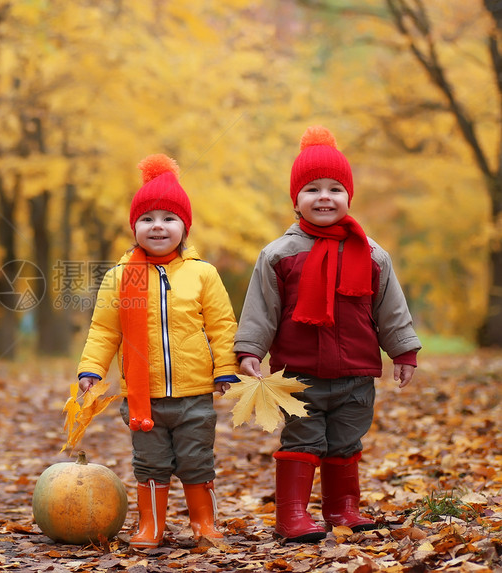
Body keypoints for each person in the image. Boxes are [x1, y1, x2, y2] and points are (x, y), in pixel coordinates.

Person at [233, 125, 421, 543]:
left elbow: (390, 309)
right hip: (299, 374)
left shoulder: (371, 254)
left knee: (346, 440)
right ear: (295, 199)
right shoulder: (279, 254)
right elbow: (262, 309)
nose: (324, 197)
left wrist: (403, 351)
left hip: (355, 374)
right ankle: (293, 514)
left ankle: (342, 508)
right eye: (312, 189)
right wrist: (250, 349)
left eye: (335, 189)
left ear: (348, 197)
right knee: (304, 438)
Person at [76, 154, 239, 548]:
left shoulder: (203, 274)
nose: (158, 226)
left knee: (196, 460)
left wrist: (225, 369)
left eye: (169, 218)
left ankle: (204, 521)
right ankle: (152, 525)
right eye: (147, 219)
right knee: (150, 464)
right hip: (143, 397)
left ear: (185, 226)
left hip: (193, 395)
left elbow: (221, 326)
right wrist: (91, 369)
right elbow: (104, 330)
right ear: (135, 228)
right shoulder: (121, 277)